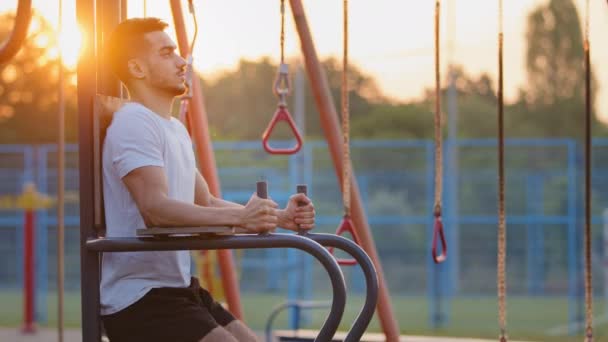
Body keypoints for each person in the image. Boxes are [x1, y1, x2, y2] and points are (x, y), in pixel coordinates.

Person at [99, 18, 316, 342]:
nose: (181, 61)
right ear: (137, 68)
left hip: (180, 287)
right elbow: (155, 209)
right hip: (139, 298)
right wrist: (243, 217)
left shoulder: (173, 128)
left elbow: (208, 202)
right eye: (167, 53)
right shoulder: (133, 124)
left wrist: (279, 218)